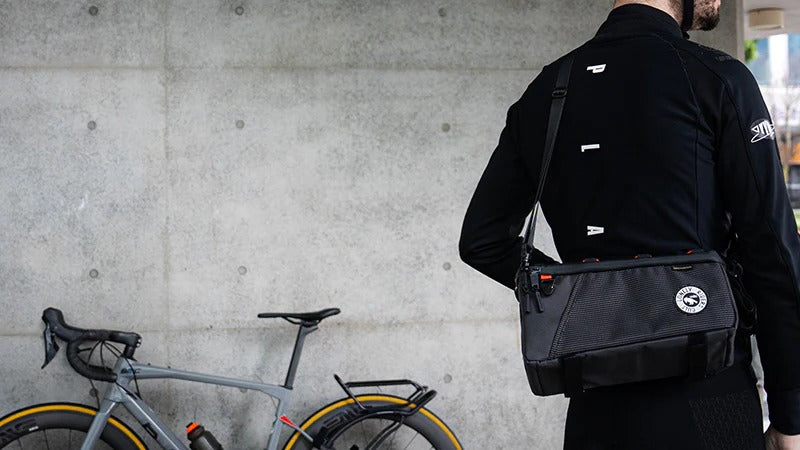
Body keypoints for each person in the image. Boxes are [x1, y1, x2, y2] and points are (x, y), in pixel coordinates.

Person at [458, 0, 800, 448]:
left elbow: (482, 240)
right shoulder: (716, 76)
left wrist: (577, 299)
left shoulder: (546, 90)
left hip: (596, 415)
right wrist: (791, 416)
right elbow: (774, 254)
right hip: (710, 403)